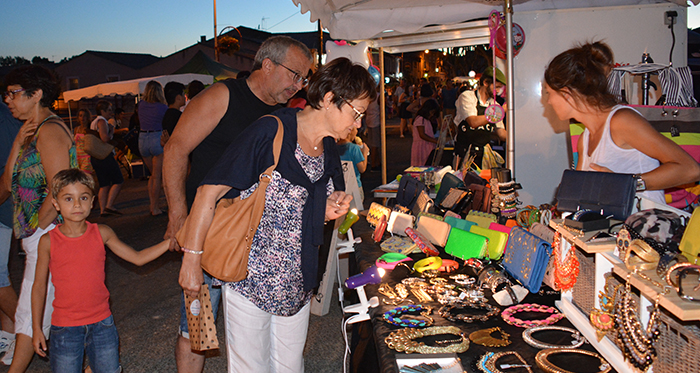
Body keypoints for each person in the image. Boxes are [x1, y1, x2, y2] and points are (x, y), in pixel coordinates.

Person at [179, 57, 376, 373]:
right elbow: (208, 192)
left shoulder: (328, 148)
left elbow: (313, 207)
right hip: (249, 280)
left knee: (290, 367)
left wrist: (331, 206)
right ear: (328, 99)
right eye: (356, 113)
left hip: (297, 283)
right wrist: (191, 262)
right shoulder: (270, 131)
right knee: (250, 368)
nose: (358, 124)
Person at [162, 35, 313, 373]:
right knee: (197, 326)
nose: (299, 85)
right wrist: (178, 215)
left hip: (257, 241)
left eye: (305, 78)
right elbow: (175, 150)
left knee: (250, 335)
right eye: (295, 74)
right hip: (211, 232)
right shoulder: (222, 96)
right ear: (268, 65)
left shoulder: (283, 113)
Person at [31, 169, 169, 372]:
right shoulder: (48, 241)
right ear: (56, 203)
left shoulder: (101, 233)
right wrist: (35, 328)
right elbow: (39, 287)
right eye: (68, 198)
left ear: (93, 201)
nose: (77, 205)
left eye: (83, 197)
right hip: (65, 327)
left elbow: (138, 258)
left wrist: (170, 243)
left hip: (102, 324)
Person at [544, 41, 700, 204]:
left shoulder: (621, 121)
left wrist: (626, 184)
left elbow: (690, 169)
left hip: (644, 226)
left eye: (549, 93)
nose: (548, 101)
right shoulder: (584, 139)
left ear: (566, 93)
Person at [3, 64, 78, 372]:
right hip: (39, 236)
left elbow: (59, 189)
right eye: (5, 94)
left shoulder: (49, 131)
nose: (7, 100)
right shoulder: (31, 132)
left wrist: (38, 228)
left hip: (51, 236)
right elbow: (8, 183)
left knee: (29, 315)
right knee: (57, 312)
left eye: (13, 93)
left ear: (36, 95)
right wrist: (17, 143)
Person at [0, 102, 21, 365]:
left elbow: (7, 177)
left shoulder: (5, 120)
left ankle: (27, 331)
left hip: (6, 208)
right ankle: (9, 336)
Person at [454, 67, 507, 168]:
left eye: (500, 88)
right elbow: (473, 122)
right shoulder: (467, 97)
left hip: (484, 155)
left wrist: (519, 137)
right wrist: (499, 112)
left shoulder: (494, 104)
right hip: (465, 154)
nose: (498, 91)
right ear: (486, 82)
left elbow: (501, 133)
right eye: (496, 87)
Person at [138, 80, 168, 216]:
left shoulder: (140, 105)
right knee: (157, 177)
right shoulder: (162, 108)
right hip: (157, 138)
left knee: (152, 176)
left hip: (143, 138)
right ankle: (155, 207)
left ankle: (152, 205)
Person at [90, 101, 124, 217]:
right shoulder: (102, 121)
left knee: (104, 184)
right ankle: (109, 205)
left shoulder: (93, 122)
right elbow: (105, 138)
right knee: (118, 180)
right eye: (109, 110)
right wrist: (111, 131)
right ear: (102, 111)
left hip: (95, 156)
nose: (111, 112)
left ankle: (103, 209)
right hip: (104, 155)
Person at [337, 127, 369, 204]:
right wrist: (365, 153)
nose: (357, 131)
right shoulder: (354, 148)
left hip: (338, 187)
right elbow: (362, 168)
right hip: (354, 187)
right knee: (355, 213)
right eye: (355, 129)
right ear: (350, 131)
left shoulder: (333, 148)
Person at [411, 99, 440, 166]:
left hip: (428, 145)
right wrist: (435, 141)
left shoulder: (426, 120)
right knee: (422, 164)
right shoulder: (420, 119)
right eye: (431, 112)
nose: (432, 114)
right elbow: (422, 135)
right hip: (422, 146)